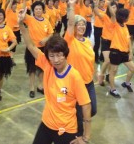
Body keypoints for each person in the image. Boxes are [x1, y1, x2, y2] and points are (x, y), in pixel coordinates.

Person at [18, 8, 91, 144]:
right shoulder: (47, 65)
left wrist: (86, 136)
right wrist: (21, 24)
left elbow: (86, 105)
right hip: (47, 124)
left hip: (67, 129)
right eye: (52, 56)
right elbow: (30, 45)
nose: (56, 60)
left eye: (59, 55)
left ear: (65, 54)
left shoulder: (74, 76)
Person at [64, 0, 97, 136]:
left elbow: (90, 61)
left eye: (84, 24)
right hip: (76, 84)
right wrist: (71, 5)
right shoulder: (70, 40)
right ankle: (78, 135)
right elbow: (70, 23)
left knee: (92, 109)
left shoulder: (88, 42)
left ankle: (79, 127)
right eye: (79, 24)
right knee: (78, 112)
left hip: (89, 82)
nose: (82, 27)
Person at [23, 1, 53, 98]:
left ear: (43, 10)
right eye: (36, 9)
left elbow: (51, 33)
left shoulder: (46, 21)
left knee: (42, 69)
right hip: (32, 48)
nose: (38, 10)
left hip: (43, 49)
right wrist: (24, 1)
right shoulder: (30, 19)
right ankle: (32, 88)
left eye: (40, 9)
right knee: (31, 69)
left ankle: (41, 86)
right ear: (33, 10)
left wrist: (46, 39)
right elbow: (22, 14)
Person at [108, 8, 134, 98]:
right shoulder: (115, 24)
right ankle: (112, 89)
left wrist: (131, 52)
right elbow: (113, 14)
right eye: (127, 16)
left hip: (125, 52)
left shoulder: (125, 26)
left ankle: (126, 83)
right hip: (115, 51)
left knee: (133, 68)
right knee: (113, 71)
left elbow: (128, 39)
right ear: (123, 17)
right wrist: (109, 4)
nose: (128, 18)